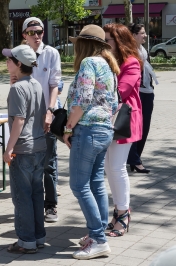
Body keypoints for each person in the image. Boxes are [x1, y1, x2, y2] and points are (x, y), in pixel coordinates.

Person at [63, 25, 120, 259]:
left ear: (83, 44)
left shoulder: (89, 63)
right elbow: (115, 104)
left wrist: (68, 128)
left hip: (88, 130)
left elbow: (83, 100)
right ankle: (97, 233)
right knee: (95, 182)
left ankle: (98, 238)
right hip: (104, 130)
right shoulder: (109, 66)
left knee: (78, 185)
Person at [2, 45, 46, 254]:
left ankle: (25, 241)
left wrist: (8, 148)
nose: (7, 62)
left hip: (23, 148)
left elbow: (18, 120)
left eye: (10, 59)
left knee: (22, 197)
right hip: (39, 146)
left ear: (19, 64)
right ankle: (38, 237)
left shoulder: (17, 88)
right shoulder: (35, 84)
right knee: (36, 194)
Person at [103, 23, 143, 237]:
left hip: (123, 121)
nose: (104, 44)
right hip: (109, 119)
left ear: (118, 42)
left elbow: (121, 91)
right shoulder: (109, 61)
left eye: (107, 40)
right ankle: (119, 211)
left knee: (117, 168)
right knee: (110, 168)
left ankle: (123, 214)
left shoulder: (131, 62)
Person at [21, 17, 61, 222]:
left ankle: (51, 205)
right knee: (27, 161)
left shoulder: (51, 53)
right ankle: (31, 203)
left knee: (48, 162)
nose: (36, 36)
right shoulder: (19, 54)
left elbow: (54, 85)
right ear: (24, 35)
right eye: (32, 32)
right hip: (25, 117)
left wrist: (50, 111)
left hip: (46, 114)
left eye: (40, 32)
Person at [127, 23, 158, 173]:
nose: (145, 35)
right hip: (136, 92)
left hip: (147, 91)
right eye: (142, 33)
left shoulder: (142, 50)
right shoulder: (129, 51)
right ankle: (134, 160)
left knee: (144, 127)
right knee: (135, 126)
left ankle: (136, 157)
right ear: (133, 35)